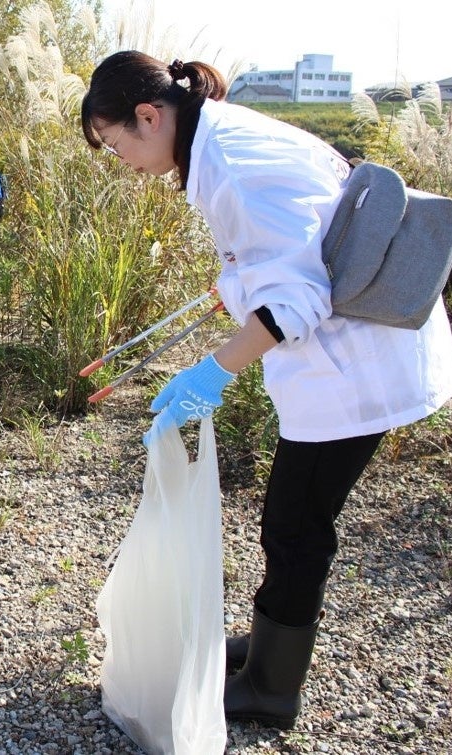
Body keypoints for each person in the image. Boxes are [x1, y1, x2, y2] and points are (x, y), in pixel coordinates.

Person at [81, 51, 452, 729]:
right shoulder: (219, 137)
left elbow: (297, 301)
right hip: (350, 352)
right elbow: (299, 248)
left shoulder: (233, 167)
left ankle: (271, 688)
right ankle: (265, 651)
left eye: (116, 144)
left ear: (147, 115)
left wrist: (210, 373)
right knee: (290, 515)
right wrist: (236, 286)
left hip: (356, 367)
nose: (122, 161)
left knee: (294, 522)